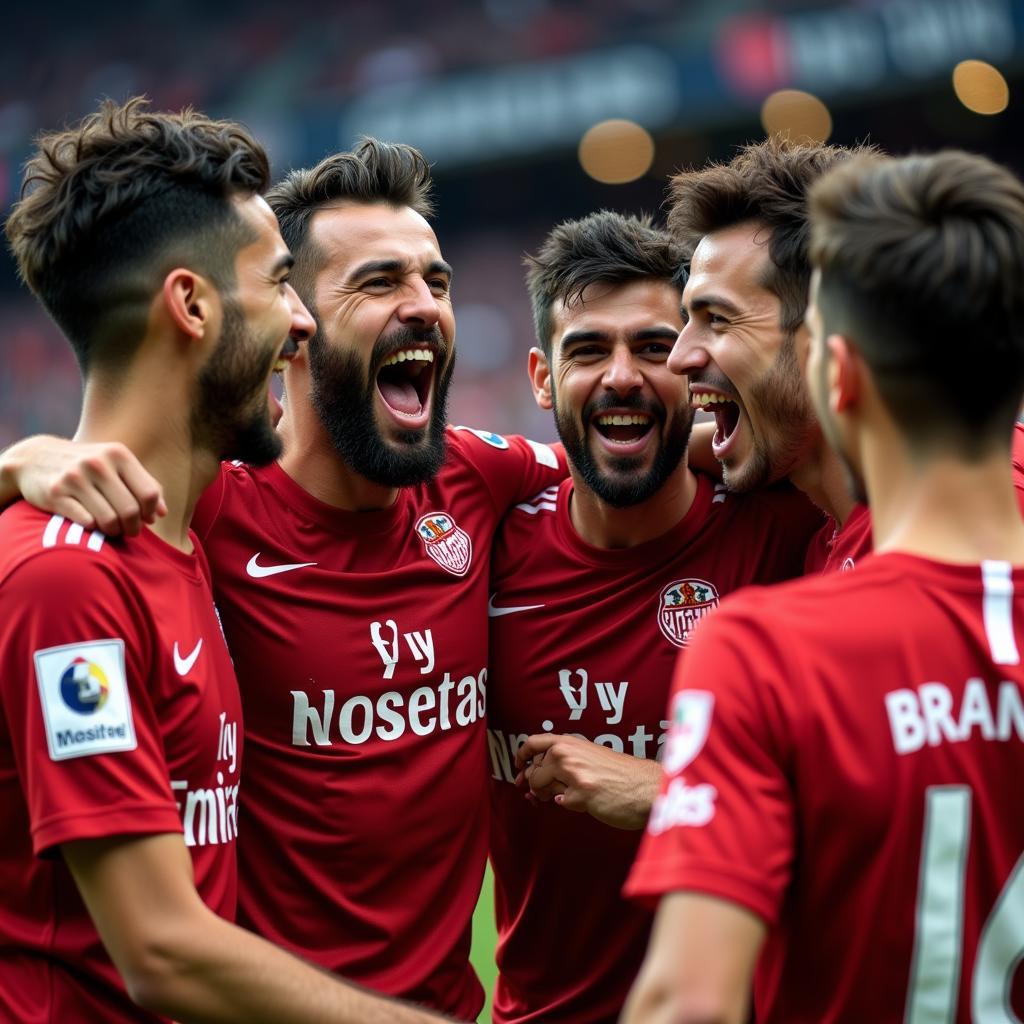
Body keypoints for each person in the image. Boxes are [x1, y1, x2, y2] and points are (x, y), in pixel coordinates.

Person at [0, 139, 567, 1020]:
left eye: (439, 281)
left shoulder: (176, 544)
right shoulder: (85, 575)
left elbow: (642, 465)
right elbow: (161, 949)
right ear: (191, 304)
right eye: (279, 285)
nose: (295, 323)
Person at [622, 149, 1024, 1023]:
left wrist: (650, 791)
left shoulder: (769, 648)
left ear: (829, 364)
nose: (680, 358)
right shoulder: (836, 527)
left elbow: (685, 1005)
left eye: (714, 319)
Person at [486, 211, 821, 1023]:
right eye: (589, 350)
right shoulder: (480, 553)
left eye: (653, 346)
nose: (624, 377)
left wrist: (665, 792)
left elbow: (871, 813)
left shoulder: (790, 529)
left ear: (696, 368)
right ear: (539, 377)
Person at [670, 135, 1024, 574]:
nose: (678, 356)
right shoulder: (829, 541)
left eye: (718, 319)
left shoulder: (982, 518)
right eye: (687, 318)